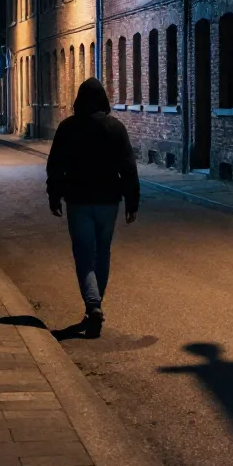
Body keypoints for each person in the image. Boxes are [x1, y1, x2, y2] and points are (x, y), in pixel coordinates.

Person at [46, 77, 139, 338]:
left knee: (84, 255)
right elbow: (128, 168)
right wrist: (132, 202)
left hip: (78, 200)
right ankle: (95, 305)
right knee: (102, 252)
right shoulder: (115, 128)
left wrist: (54, 195)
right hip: (108, 200)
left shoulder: (68, 128)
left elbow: (55, 165)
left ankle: (93, 305)